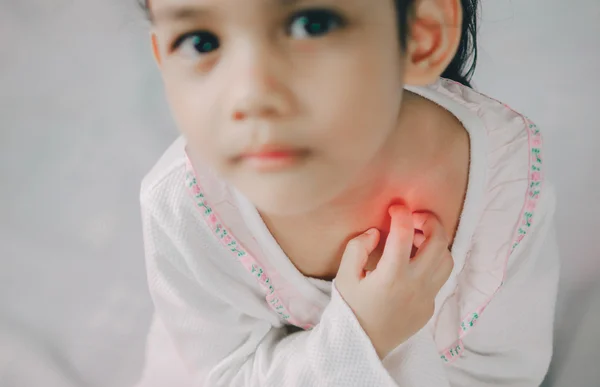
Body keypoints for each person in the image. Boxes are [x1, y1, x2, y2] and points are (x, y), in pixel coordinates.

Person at [137, 0, 560, 385]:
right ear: (161, 58)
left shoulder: (504, 180)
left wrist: (393, 344)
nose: (248, 95)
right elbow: (223, 374)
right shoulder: (184, 208)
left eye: (311, 24)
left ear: (419, 35)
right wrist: (362, 334)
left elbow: (507, 371)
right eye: (200, 41)